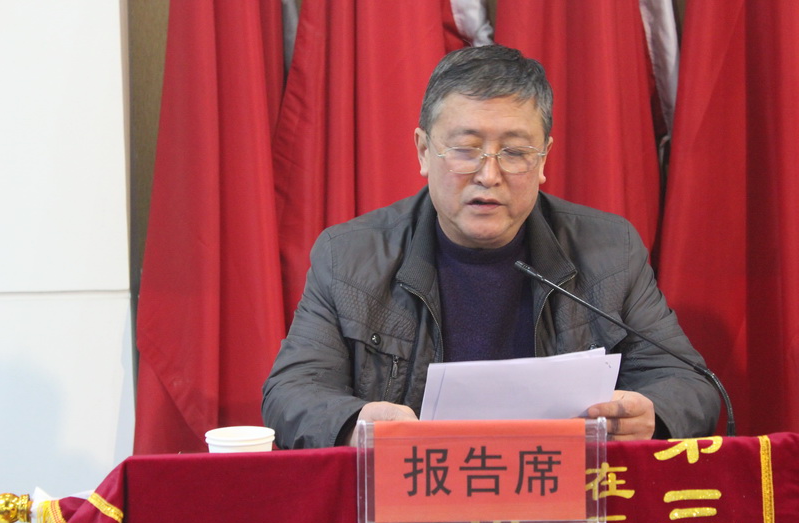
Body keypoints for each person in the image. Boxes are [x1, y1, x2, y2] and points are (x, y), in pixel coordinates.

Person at [262, 45, 720, 449]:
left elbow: (688, 383)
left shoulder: (610, 251)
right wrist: (354, 424)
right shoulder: (349, 257)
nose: (488, 175)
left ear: (544, 158)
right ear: (423, 151)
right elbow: (291, 392)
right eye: (466, 149)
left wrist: (650, 415)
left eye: (515, 152)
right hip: (414, 494)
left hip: (561, 495)